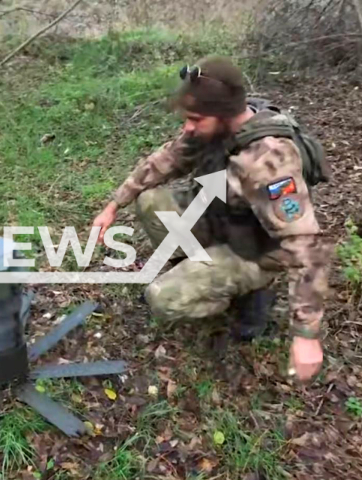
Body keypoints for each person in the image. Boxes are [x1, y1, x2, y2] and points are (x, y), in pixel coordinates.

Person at [91, 56, 332, 382]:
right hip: (226, 219)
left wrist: (306, 336)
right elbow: (164, 162)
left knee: (162, 299)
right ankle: (200, 268)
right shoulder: (210, 129)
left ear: (225, 114)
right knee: (151, 201)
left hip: (259, 249)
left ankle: (252, 293)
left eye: (196, 119)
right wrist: (114, 204)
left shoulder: (269, 161)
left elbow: (305, 246)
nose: (188, 127)